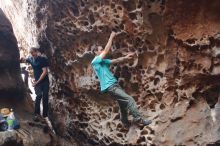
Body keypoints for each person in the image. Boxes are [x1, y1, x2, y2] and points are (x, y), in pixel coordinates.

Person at [91, 31, 152, 129]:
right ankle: (139, 120)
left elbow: (115, 61)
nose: (102, 51)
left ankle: (125, 122)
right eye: (100, 50)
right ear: (95, 52)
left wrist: (126, 57)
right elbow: (106, 50)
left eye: (102, 49)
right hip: (110, 87)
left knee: (122, 104)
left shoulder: (103, 61)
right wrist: (111, 37)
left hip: (114, 85)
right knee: (129, 100)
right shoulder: (95, 61)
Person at [20, 47, 49, 121]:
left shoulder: (42, 59)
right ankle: (37, 114)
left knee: (45, 96)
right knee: (39, 95)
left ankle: (45, 115)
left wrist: (37, 82)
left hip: (44, 81)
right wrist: (19, 59)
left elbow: (45, 72)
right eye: (31, 53)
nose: (32, 54)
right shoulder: (31, 59)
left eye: (33, 52)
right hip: (37, 81)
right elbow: (24, 60)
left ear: (36, 52)